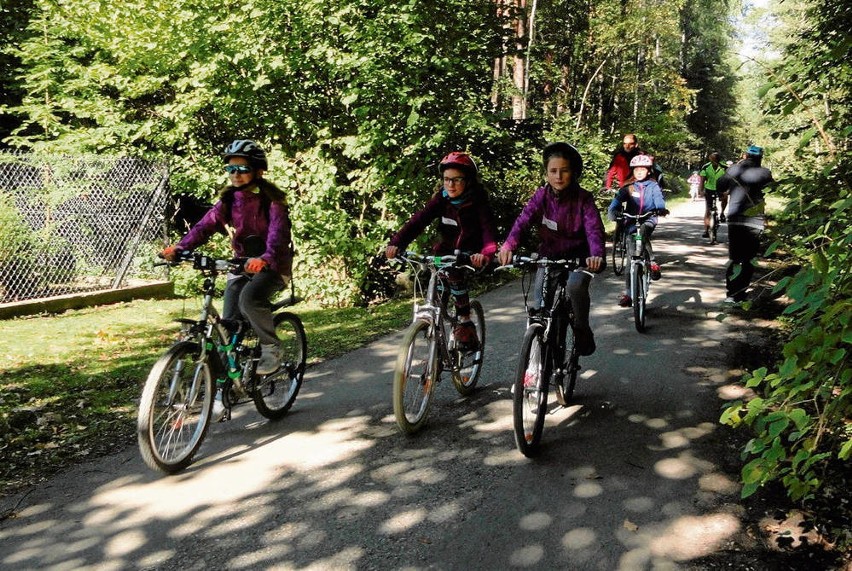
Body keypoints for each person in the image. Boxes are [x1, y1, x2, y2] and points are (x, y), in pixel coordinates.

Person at [161, 139, 294, 403]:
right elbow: (204, 226)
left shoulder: (273, 202)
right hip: (241, 265)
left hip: (273, 265)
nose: (235, 174)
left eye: (242, 168)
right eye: (231, 169)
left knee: (250, 299)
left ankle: (270, 347)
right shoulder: (229, 200)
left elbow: (278, 236)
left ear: (258, 171)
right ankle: (225, 385)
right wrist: (180, 247)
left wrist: (265, 258)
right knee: (228, 324)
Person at [498, 142, 605, 356]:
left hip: (579, 258)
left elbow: (594, 229)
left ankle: (582, 328)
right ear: (546, 172)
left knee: (575, 287)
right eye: (553, 171)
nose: (558, 176)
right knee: (539, 308)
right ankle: (537, 361)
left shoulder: (583, 198)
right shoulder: (541, 196)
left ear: (573, 172)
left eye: (564, 171)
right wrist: (509, 245)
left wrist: (596, 255)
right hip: (550, 255)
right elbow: (523, 221)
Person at [385, 152, 498, 350]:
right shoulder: (441, 200)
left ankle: (464, 320)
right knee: (436, 282)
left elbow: (489, 233)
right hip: (444, 252)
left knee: (454, 274)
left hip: (468, 254)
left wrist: (485, 254)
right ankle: (436, 334)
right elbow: (417, 222)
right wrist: (397, 243)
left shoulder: (478, 202)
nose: (450, 185)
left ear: (468, 181)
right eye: (446, 179)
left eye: (456, 180)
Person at [607, 154, 668, 307]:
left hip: (648, 219)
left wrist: (660, 209)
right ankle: (629, 293)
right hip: (631, 220)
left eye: (643, 169)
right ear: (632, 171)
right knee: (630, 259)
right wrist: (613, 211)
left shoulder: (653, 186)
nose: (639, 172)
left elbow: (659, 199)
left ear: (648, 171)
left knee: (643, 233)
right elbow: (616, 201)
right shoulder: (629, 188)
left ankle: (652, 262)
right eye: (636, 169)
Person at [717, 145, 773, 303]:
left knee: (735, 258)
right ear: (760, 158)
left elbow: (720, 186)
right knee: (749, 259)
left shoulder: (734, 169)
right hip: (755, 220)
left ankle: (731, 295)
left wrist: (735, 168)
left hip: (735, 218)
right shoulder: (765, 173)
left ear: (745, 155)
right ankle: (741, 294)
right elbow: (772, 190)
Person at [700, 151, 728, 237]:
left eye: (714, 160)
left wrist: (727, 191)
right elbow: (702, 180)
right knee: (708, 210)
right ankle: (706, 230)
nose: (712, 161)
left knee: (725, 199)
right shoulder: (706, 167)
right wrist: (701, 190)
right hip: (709, 189)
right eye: (711, 159)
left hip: (721, 189)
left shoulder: (724, 167)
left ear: (718, 160)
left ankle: (722, 213)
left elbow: (728, 180)